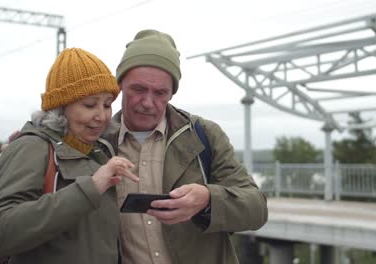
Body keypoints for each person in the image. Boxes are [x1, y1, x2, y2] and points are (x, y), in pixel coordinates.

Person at [107, 29, 268, 264]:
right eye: (138, 89)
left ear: (172, 93)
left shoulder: (204, 135)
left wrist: (207, 200)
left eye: (160, 92)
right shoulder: (98, 145)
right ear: (120, 84)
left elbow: (256, 209)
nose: (148, 102)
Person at [0, 48, 138, 264]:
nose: (101, 116)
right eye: (89, 105)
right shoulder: (32, 147)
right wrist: (90, 187)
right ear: (60, 107)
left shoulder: (100, 151)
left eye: (108, 104)